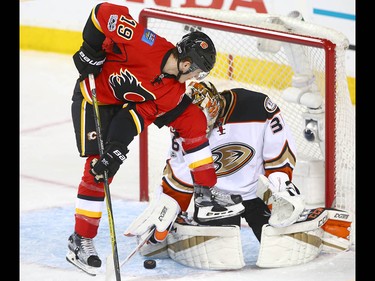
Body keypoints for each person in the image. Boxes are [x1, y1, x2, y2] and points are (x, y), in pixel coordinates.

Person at [66, 2, 244, 275]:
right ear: (186, 63)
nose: (197, 77)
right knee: (96, 171)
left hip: (122, 106)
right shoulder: (143, 43)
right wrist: (90, 50)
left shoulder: (172, 91)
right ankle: (80, 240)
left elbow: (134, 118)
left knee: (193, 118)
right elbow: (103, 11)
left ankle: (205, 190)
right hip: (93, 99)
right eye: (197, 70)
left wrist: (115, 150)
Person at [125, 81, 352, 270]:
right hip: (217, 199)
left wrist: (280, 184)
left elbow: (279, 147)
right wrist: (169, 204)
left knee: (278, 246)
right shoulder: (184, 125)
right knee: (219, 254)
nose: (197, 128)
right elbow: (179, 169)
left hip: (257, 193)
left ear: (213, 108)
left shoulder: (257, 106)